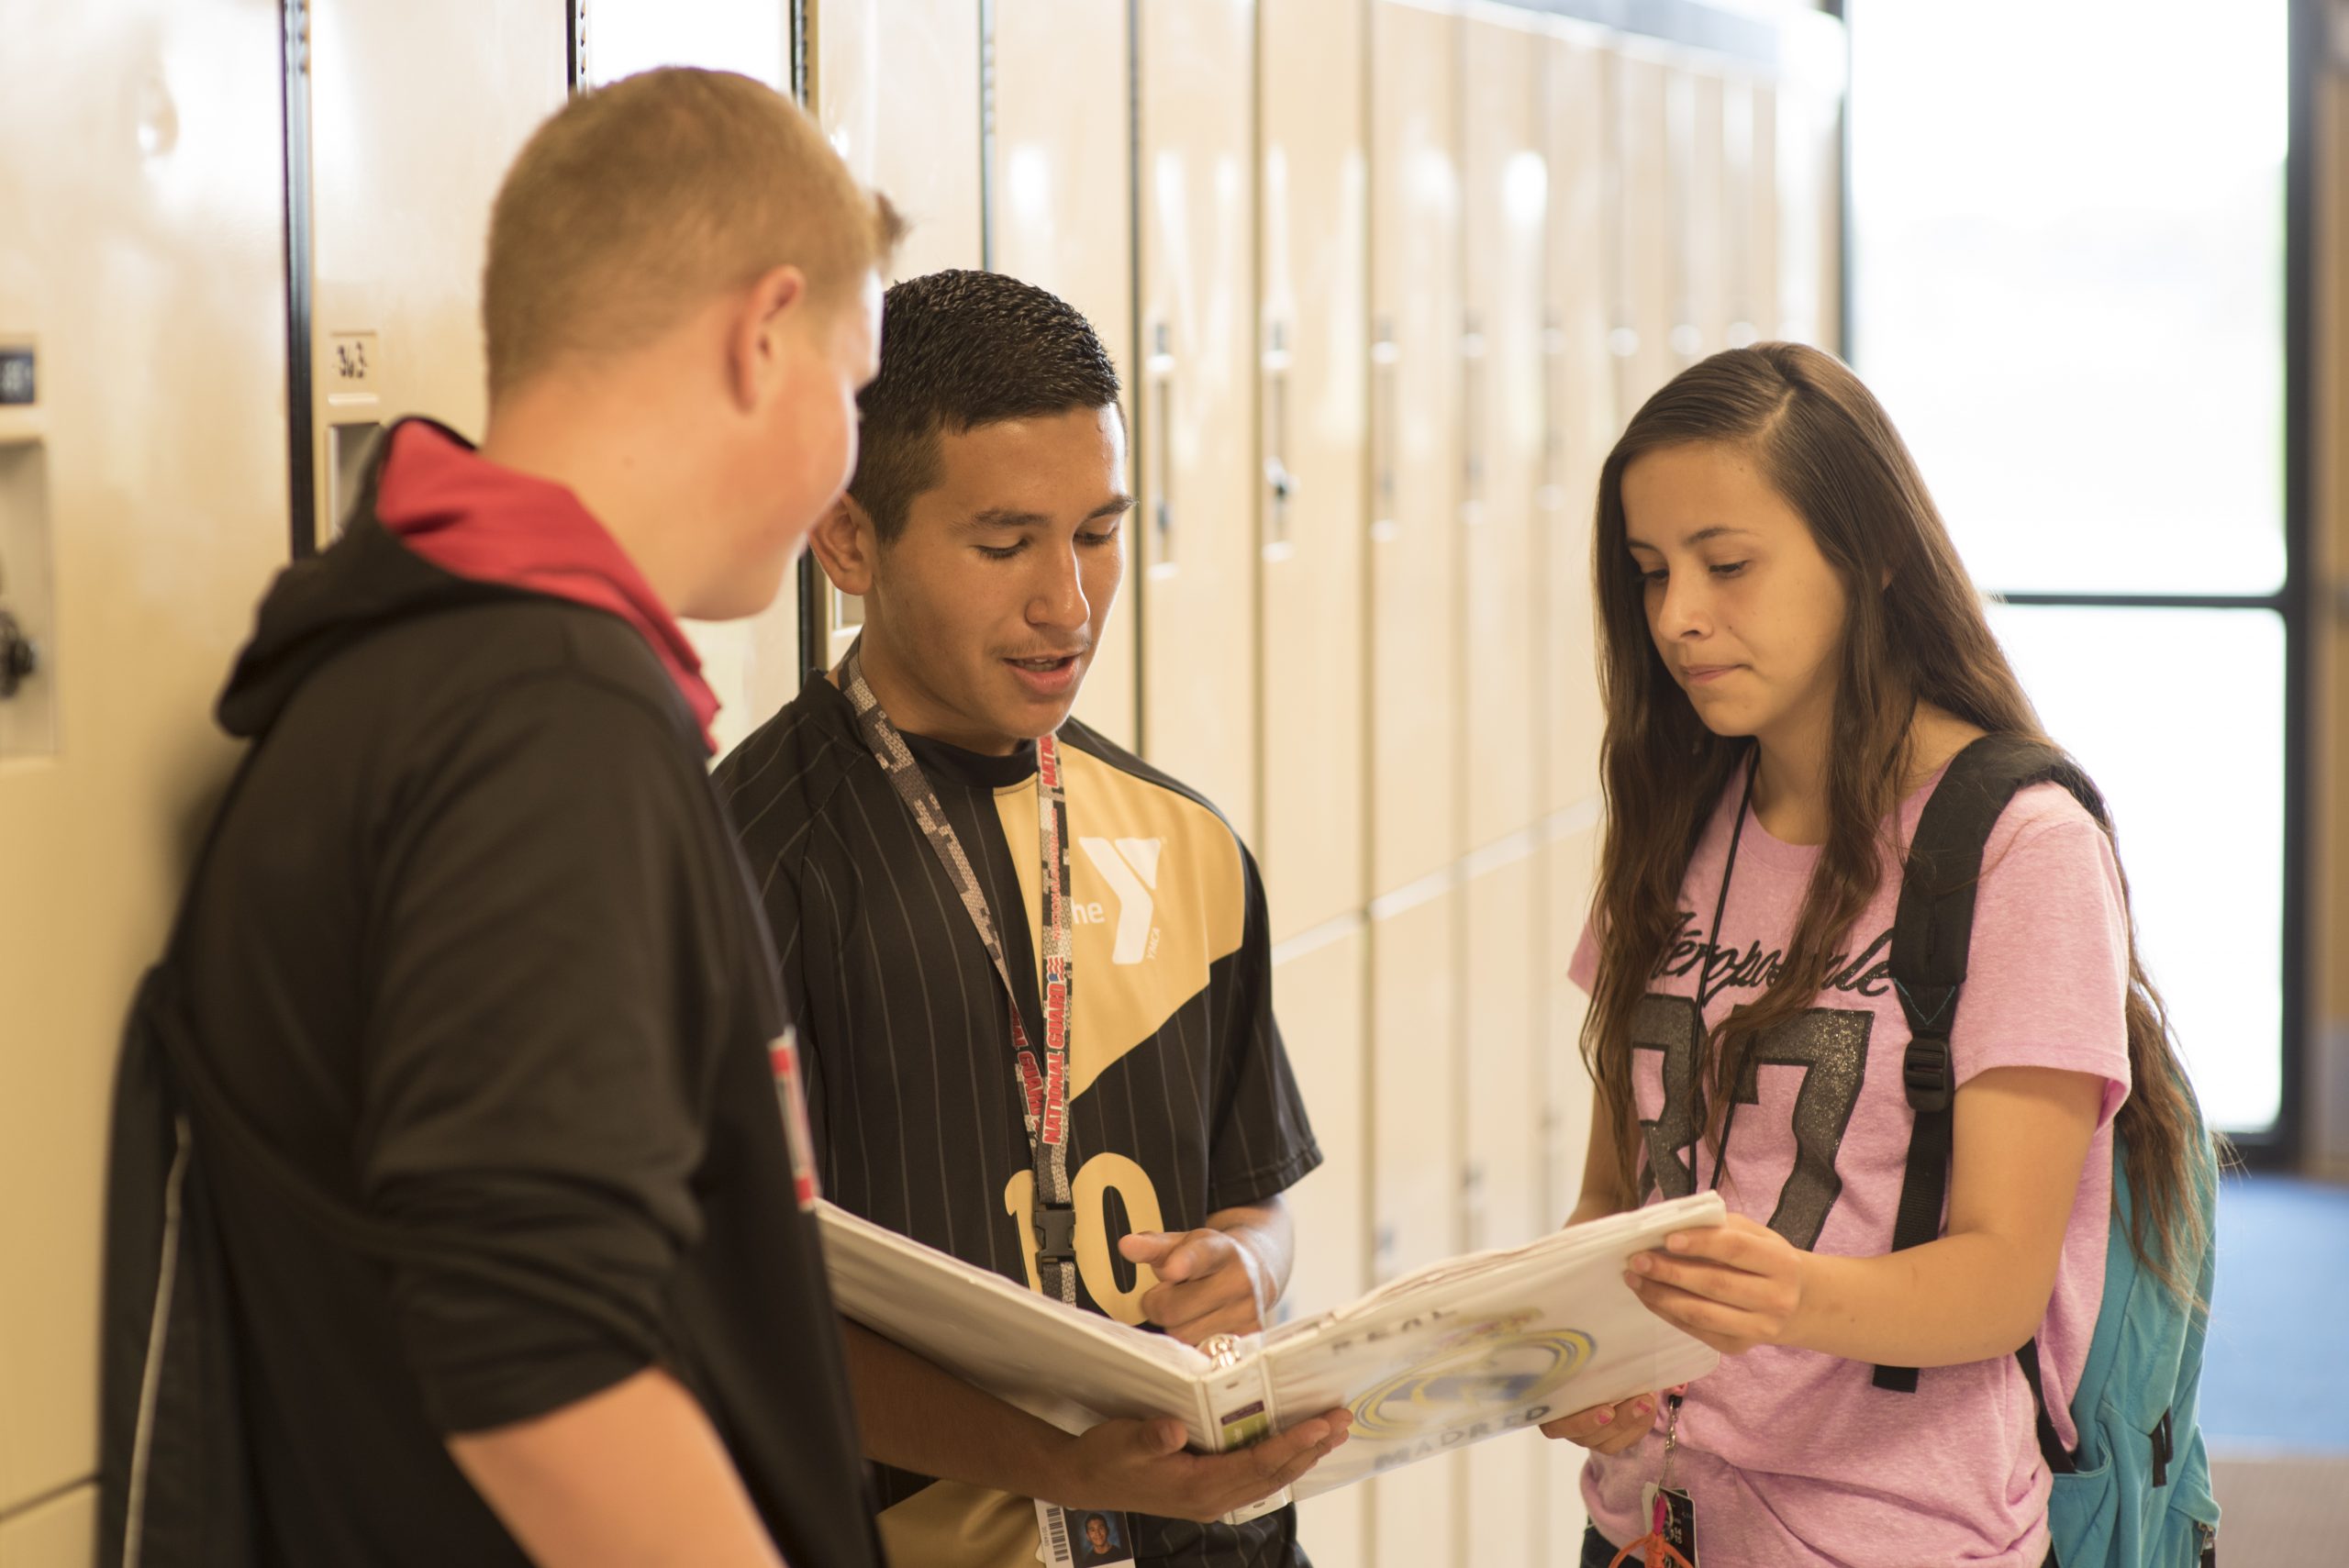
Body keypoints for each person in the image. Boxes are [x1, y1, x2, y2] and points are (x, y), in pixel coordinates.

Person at [129, 69, 898, 1567]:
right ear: (762, 334)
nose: (849, 448)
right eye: (855, 389)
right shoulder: (547, 724)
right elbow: (539, 1359)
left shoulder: (414, 660)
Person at [1538, 343, 2212, 1567]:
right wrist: (1571, 1354)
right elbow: (1613, 1199)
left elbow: (2002, 1278)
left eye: (1727, 564)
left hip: (1895, 1536)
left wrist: (1783, 1293)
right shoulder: (1675, 812)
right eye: (1650, 573)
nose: (1678, 614)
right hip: (1650, 1530)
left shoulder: (2020, 846)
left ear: (1873, 552)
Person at [716, 268, 1346, 1568]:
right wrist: (1062, 1465)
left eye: (1098, 531)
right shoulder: (750, 864)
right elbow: (744, 1316)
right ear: (848, 536)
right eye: (1004, 545)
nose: (1066, 601)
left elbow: (1257, 1198)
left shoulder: (1183, 840)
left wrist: (1252, 1269)